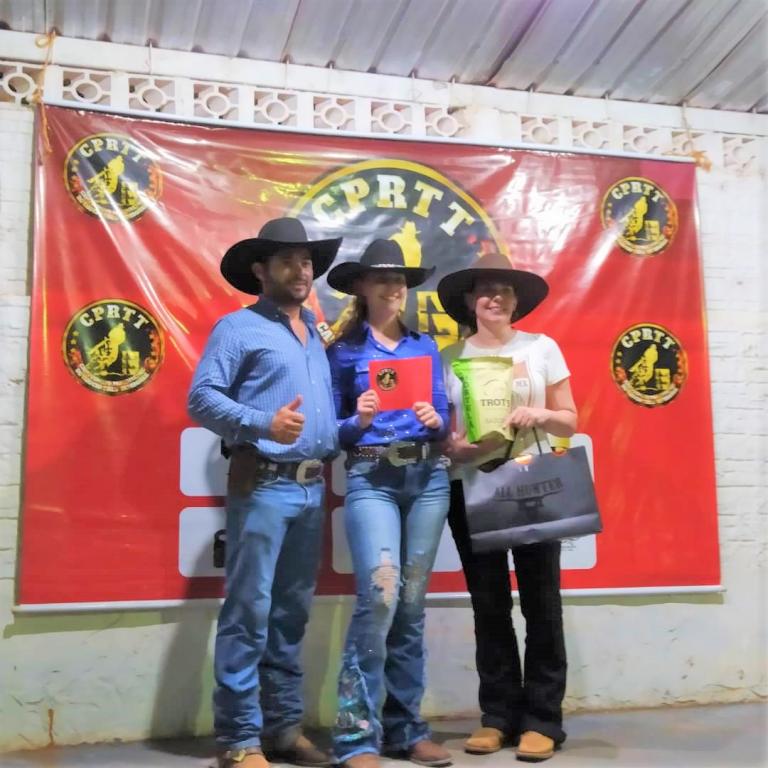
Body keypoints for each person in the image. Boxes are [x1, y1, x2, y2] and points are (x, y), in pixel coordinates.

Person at [188, 217, 342, 768]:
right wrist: (260, 423)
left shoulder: (315, 334)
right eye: (287, 261)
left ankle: (282, 730)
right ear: (261, 270)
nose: (300, 271)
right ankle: (239, 739)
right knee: (248, 613)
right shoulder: (237, 329)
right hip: (263, 486)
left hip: (310, 491)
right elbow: (201, 398)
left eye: (306, 262)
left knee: (290, 616)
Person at [438, 252, 578, 763]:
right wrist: (456, 448)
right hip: (471, 486)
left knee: (543, 600)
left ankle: (544, 719)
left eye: (503, 290)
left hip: (533, 481)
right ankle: (497, 716)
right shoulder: (448, 356)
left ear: (517, 301)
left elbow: (568, 419)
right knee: (488, 604)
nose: (493, 297)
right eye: (483, 290)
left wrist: (538, 411)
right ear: (469, 301)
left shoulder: (542, 348)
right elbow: (443, 436)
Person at [324, 239, 453, 768]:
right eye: (382, 278)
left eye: (400, 279)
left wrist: (434, 421)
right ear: (359, 286)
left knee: (412, 606)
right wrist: (359, 420)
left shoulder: (424, 347)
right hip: (371, 475)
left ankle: (406, 729)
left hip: (428, 478)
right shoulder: (343, 352)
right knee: (379, 596)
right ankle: (356, 737)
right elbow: (331, 431)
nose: (394, 286)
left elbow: (445, 421)